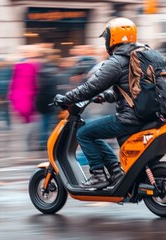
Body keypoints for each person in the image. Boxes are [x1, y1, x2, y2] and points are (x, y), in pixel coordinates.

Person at [54, 18, 146, 189]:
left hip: (129, 118)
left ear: (112, 38)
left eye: (107, 37)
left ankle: (98, 175)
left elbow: (91, 87)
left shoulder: (117, 61)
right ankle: (116, 172)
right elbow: (132, 89)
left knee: (83, 133)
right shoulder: (141, 56)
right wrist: (106, 96)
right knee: (93, 132)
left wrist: (67, 98)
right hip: (147, 115)